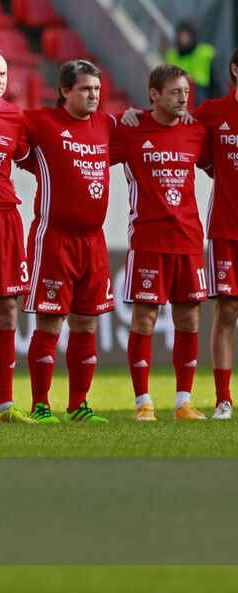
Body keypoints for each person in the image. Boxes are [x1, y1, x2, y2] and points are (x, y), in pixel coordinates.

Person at [0, 61, 114, 424]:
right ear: (64, 91)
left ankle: (78, 405)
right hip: (54, 240)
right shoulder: (39, 122)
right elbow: (0, 119)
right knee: (51, 323)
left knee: (87, 324)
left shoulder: (108, 125)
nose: (93, 95)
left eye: (96, 89)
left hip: (94, 242)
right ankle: (40, 404)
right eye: (84, 89)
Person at [110, 65, 212, 421]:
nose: (183, 98)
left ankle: (184, 401)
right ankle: (143, 403)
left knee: (189, 321)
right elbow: (91, 144)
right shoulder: (130, 131)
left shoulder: (197, 133)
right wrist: (122, 115)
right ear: (153, 94)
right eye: (175, 93)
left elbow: (219, 166)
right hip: (149, 240)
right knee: (144, 321)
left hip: (188, 240)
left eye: (186, 92)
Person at [191, 48, 238, 418]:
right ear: (235, 69)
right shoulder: (212, 112)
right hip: (227, 228)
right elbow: (171, 122)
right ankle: (223, 398)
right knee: (227, 312)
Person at [165, 22, 216, 105]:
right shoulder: (172, 55)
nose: (183, 39)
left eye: (186, 36)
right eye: (181, 36)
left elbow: (216, 81)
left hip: (200, 92)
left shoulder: (205, 52)